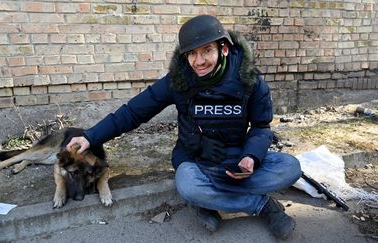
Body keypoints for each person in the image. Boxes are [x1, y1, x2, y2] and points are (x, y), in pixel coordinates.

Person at [67, 15, 302, 240]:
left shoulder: (251, 81)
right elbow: (133, 112)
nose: (198, 61)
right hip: (196, 162)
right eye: (192, 54)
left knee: (290, 168)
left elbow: (262, 127)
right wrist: (90, 137)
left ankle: (206, 201)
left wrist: (251, 157)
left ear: (224, 49)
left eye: (207, 51)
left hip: (237, 159)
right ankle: (261, 205)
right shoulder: (178, 80)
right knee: (187, 184)